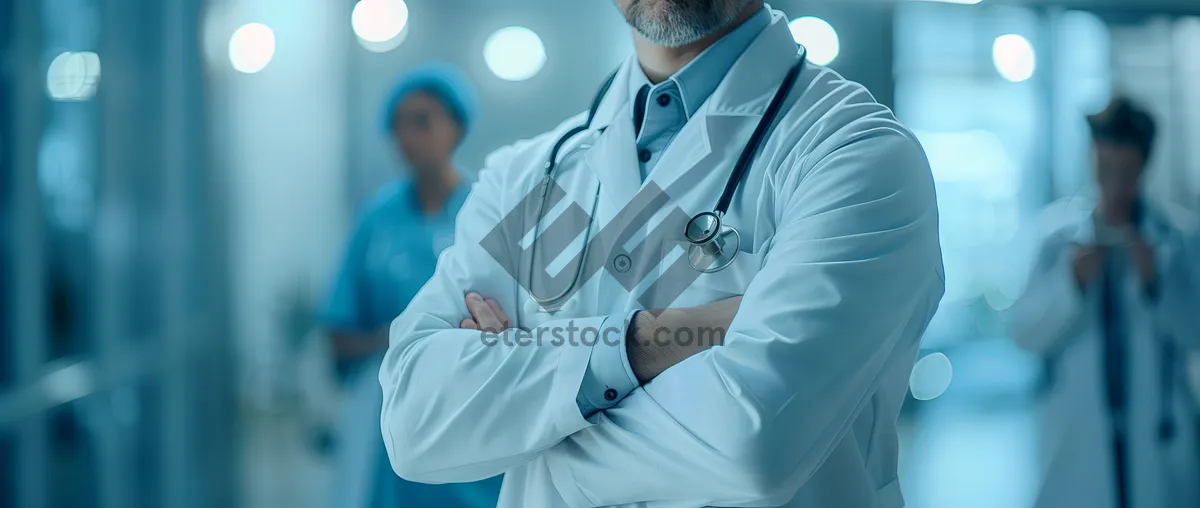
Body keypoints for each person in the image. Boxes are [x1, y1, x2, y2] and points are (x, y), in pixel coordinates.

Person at [379, 2, 945, 507]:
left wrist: (534, 437)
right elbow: (413, 421)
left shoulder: (854, 157)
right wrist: (647, 342)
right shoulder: (526, 176)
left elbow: (750, 445)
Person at [320, 64, 502, 508]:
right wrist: (404, 337)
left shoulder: (489, 209)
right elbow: (339, 334)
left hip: (476, 403)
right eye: (398, 125)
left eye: (422, 121)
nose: (408, 136)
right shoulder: (375, 219)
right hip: (392, 409)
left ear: (456, 126)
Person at [1011, 96, 1200, 508]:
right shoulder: (1056, 238)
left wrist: (1156, 284)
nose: (1113, 183)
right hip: (1078, 437)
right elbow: (1024, 334)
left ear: (1143, 167)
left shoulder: (1178, 238)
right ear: (1092, 159)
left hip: (1158, 434)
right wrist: (1071, 283)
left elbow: (1194, 334)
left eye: (1125, 171)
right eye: (1105, 168)